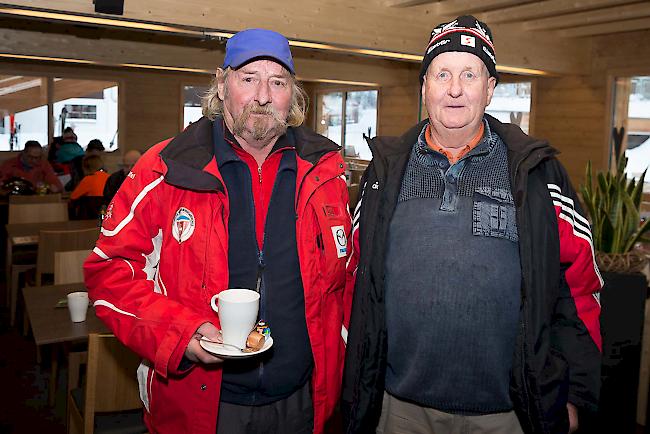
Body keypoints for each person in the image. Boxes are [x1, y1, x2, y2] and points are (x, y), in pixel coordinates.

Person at [342, 15, 602, 434]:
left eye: (470, 74)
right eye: (442, 73)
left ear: (490, 88)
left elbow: (580, 288)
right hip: (398, 408)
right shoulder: (384, 174)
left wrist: (577, 395)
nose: (455, 88)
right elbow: (355, 281)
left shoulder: (537, 176)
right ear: (425, 86)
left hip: (508, 412)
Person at [84, 28, 352, 434]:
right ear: (222, 85)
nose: (263, 95)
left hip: (303, 403)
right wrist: (181, 333)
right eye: (248, 78)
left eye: (277, 82)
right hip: (199, 405)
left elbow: (347, 283)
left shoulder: (326, 174)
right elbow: (111, 271)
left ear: (293, 94)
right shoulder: (166, 169)